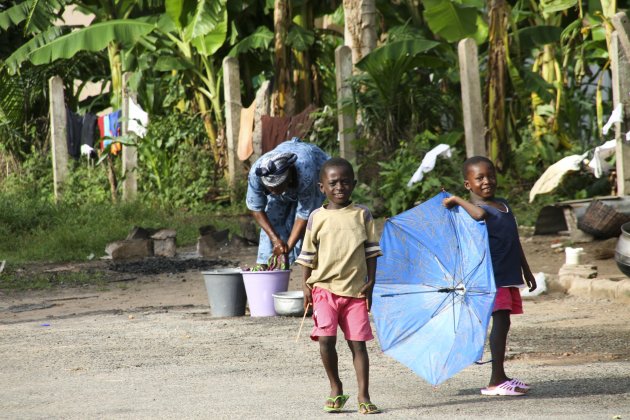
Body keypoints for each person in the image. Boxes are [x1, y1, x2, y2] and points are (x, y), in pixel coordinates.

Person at [442, 156, 537, 396]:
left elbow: (514, 240)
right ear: (468, 185)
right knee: (501, 321)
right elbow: (478, 216)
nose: (487, 181)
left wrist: (526, 270)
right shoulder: (474, 210)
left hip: (509, 274)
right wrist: (456, 200)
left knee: (505, 323)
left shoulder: (504, 205)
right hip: (491, 277)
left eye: (490, 175)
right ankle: (495, 380)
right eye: (480, 178)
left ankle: (501, 375)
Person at [296, 157, 382, 414]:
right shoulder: (316, 217)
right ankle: (335, 387)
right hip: (323, 289)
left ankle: (363, 395)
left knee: (358, 344)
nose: (339, 187)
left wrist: (372, 283)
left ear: (354, 184)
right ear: (322, 187)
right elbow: (307, 255)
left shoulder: (362, 214)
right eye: (333, 182)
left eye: (345, 182)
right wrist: (306, 287)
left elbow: (371, 252)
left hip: (356, 291)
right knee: (326, 339)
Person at [246, 137, 330, 266]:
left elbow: (304, 215)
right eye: (269, 188)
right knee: (273, 218)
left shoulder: (306, 173)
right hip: (288, 177)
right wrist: (276, 240)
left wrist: (287, 248)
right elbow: (256, 208)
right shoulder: (256, 173)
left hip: (316, 169)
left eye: (277, 187)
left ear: (289, 178)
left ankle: (309, 265)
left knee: (308, 229)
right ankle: (265, 264)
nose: (273, 192)